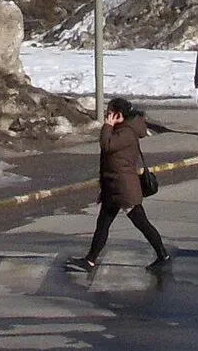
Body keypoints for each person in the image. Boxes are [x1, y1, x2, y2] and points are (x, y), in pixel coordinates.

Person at [69, 97, 171, 274]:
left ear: (119, 114)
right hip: (114, 187)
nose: (108, 114)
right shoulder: (124, 129)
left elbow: (106, 145)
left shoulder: (126, 133)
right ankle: (90, 260)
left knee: (142, 223)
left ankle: (163, 255)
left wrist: (108, 126)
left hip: (123, 189)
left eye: (110, 112)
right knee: (103, 225)